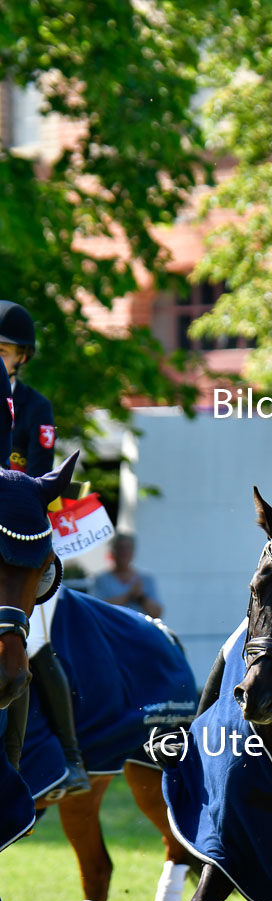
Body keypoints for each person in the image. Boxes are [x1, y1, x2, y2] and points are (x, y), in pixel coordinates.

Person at [0, 299, 89, 795]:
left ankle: (69, 758)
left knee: (35, 639)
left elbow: (37, 474)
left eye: (4, 351)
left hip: (21, 534)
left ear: (22, 357)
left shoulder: (34, 407)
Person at [93, 532, 163, 618]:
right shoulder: (101, 579)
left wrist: (141, 597)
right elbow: (97, 609)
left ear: (133, 551)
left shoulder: (146, 578)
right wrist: (129, 596)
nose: (124, 552)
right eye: (120, 548)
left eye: (128, 548)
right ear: (113, 551)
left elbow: (157, 613)